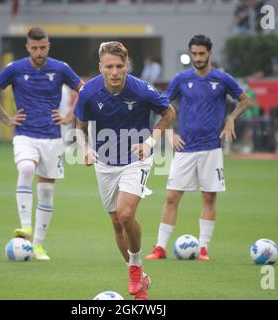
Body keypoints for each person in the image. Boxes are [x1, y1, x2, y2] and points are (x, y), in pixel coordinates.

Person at [74, 41, 175, 300]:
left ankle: (135, 267)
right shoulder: (89, 92)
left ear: (127, 65)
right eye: (109, 66)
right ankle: (139, 279)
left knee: (126, 214)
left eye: (120, 66)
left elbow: (169, 113)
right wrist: (85, 148)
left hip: (135, 159)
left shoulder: (141, 89)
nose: (115, 72)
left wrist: (150, 142)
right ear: (100, 67)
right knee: (117, 223)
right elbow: (80, 125)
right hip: (105, 164)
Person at [146, 35, 250, 261]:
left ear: (210, 54)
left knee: (209, 197)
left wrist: (231, 118)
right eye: (194, 53)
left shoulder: (222, 79)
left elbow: (244, 100)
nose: (198, 58)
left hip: (212, 148)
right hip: (185, 148)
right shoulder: (180, 79)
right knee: (172, 197)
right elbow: (162, 105)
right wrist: (170, 132)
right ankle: (160, 248)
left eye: (202, 53)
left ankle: (203, 248)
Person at [0, 27, 83, 260]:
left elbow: (86, 91)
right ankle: (25, 227)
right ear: (27, 47)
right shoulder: (15, 69)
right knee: (26, 168)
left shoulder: (60, 68)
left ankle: (37, 245)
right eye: (35, 48)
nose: (39, 52)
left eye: (43, 47)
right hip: (25, 134)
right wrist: (6, 119)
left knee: (47, 191)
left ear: (48, 45)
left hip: (52, 137)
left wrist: (70, 116)